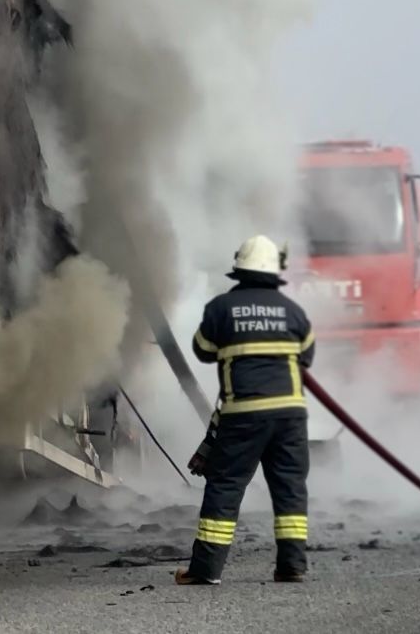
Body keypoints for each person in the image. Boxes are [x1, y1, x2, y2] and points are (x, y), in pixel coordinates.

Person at [176, 235, 315, 586]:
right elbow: (307, 357)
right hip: (290, 416)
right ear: (274, 271)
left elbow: (203, 349)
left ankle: (206, 571)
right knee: (289, 488)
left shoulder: (221, 308)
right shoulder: (294, 311)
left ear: (239, 268)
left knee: (225, 485)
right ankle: (292, 567)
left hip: (243, 415)